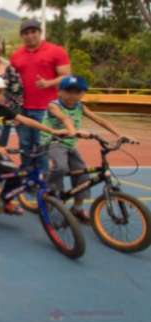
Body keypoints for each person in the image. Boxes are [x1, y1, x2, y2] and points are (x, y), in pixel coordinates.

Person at [0, 75, 67, 242]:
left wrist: (52, 131)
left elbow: (25, 120)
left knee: (19, 174)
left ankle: (6, 199)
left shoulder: (3, 109)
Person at [41, 76, 134, 222]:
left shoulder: (80, 106)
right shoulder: (54, 105)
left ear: (83, 93)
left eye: (78, 92)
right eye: (69, 91)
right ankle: (50, 194)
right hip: (53, 142)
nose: (73, 95)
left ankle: (77, 209)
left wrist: (119, 134)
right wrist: (73, 131)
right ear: (59, 92)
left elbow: (99, 119)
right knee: (60, 167)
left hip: (70, 144)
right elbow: (65, 119)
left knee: (83, 175)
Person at [10, 19, 71, 169]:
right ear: (21, 36)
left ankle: (43, 182)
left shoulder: (56, 51)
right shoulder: (16, 55)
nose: (30, 35)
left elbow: (67, 76)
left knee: (42, 146)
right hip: (23, 109)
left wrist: (48, 83)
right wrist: (14, 109)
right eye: (26, 33)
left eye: (33, 32)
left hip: (46, 109)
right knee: (25, 146)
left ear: (40, 32)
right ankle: (28, 180)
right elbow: (11, 83)